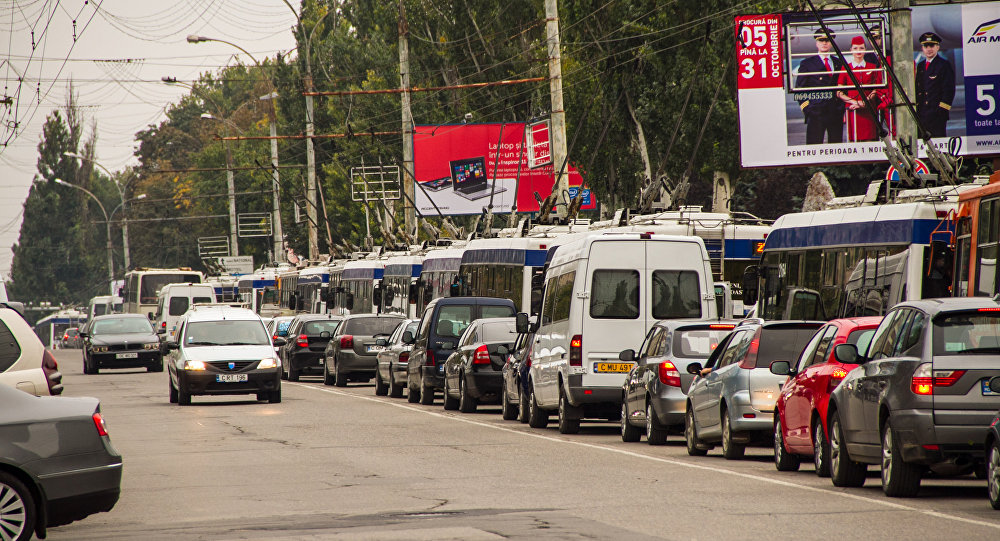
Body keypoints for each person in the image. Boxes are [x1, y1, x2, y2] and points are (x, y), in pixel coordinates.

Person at [795, 29, 845, 144]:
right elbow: (800, 89)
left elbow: (844, 86)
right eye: (821, 40)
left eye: (827, 40)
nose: (824, 43)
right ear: (816, 43)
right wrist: (807, 109)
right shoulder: (807, 63)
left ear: (831, 43)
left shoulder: (839, 62)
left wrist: (841, 108)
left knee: (836, 148)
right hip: (816, 112)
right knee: (814, 147)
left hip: (835, 112)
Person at [836, 36, 883, 142]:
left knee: (870, 140)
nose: (858, 51)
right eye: (856, 48)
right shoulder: (846, 68)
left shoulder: (872, 67)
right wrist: (855, 102)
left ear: (865, 50)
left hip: (869, 110)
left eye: (861, 48)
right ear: (851, 50)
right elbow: (839, 92)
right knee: (853, 141)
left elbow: (876, 88)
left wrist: (865, 101)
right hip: (852, 109)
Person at [915, 31, 955, 138]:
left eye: (932, 45)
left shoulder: (944, 65)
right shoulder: (920, 66)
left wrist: (942, 111)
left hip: (937, 115)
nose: (929, 49)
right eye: (926, 46)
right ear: (922, 48)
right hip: (922, 114)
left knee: (937, 145)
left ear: (938, 47)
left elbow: (949, 90)